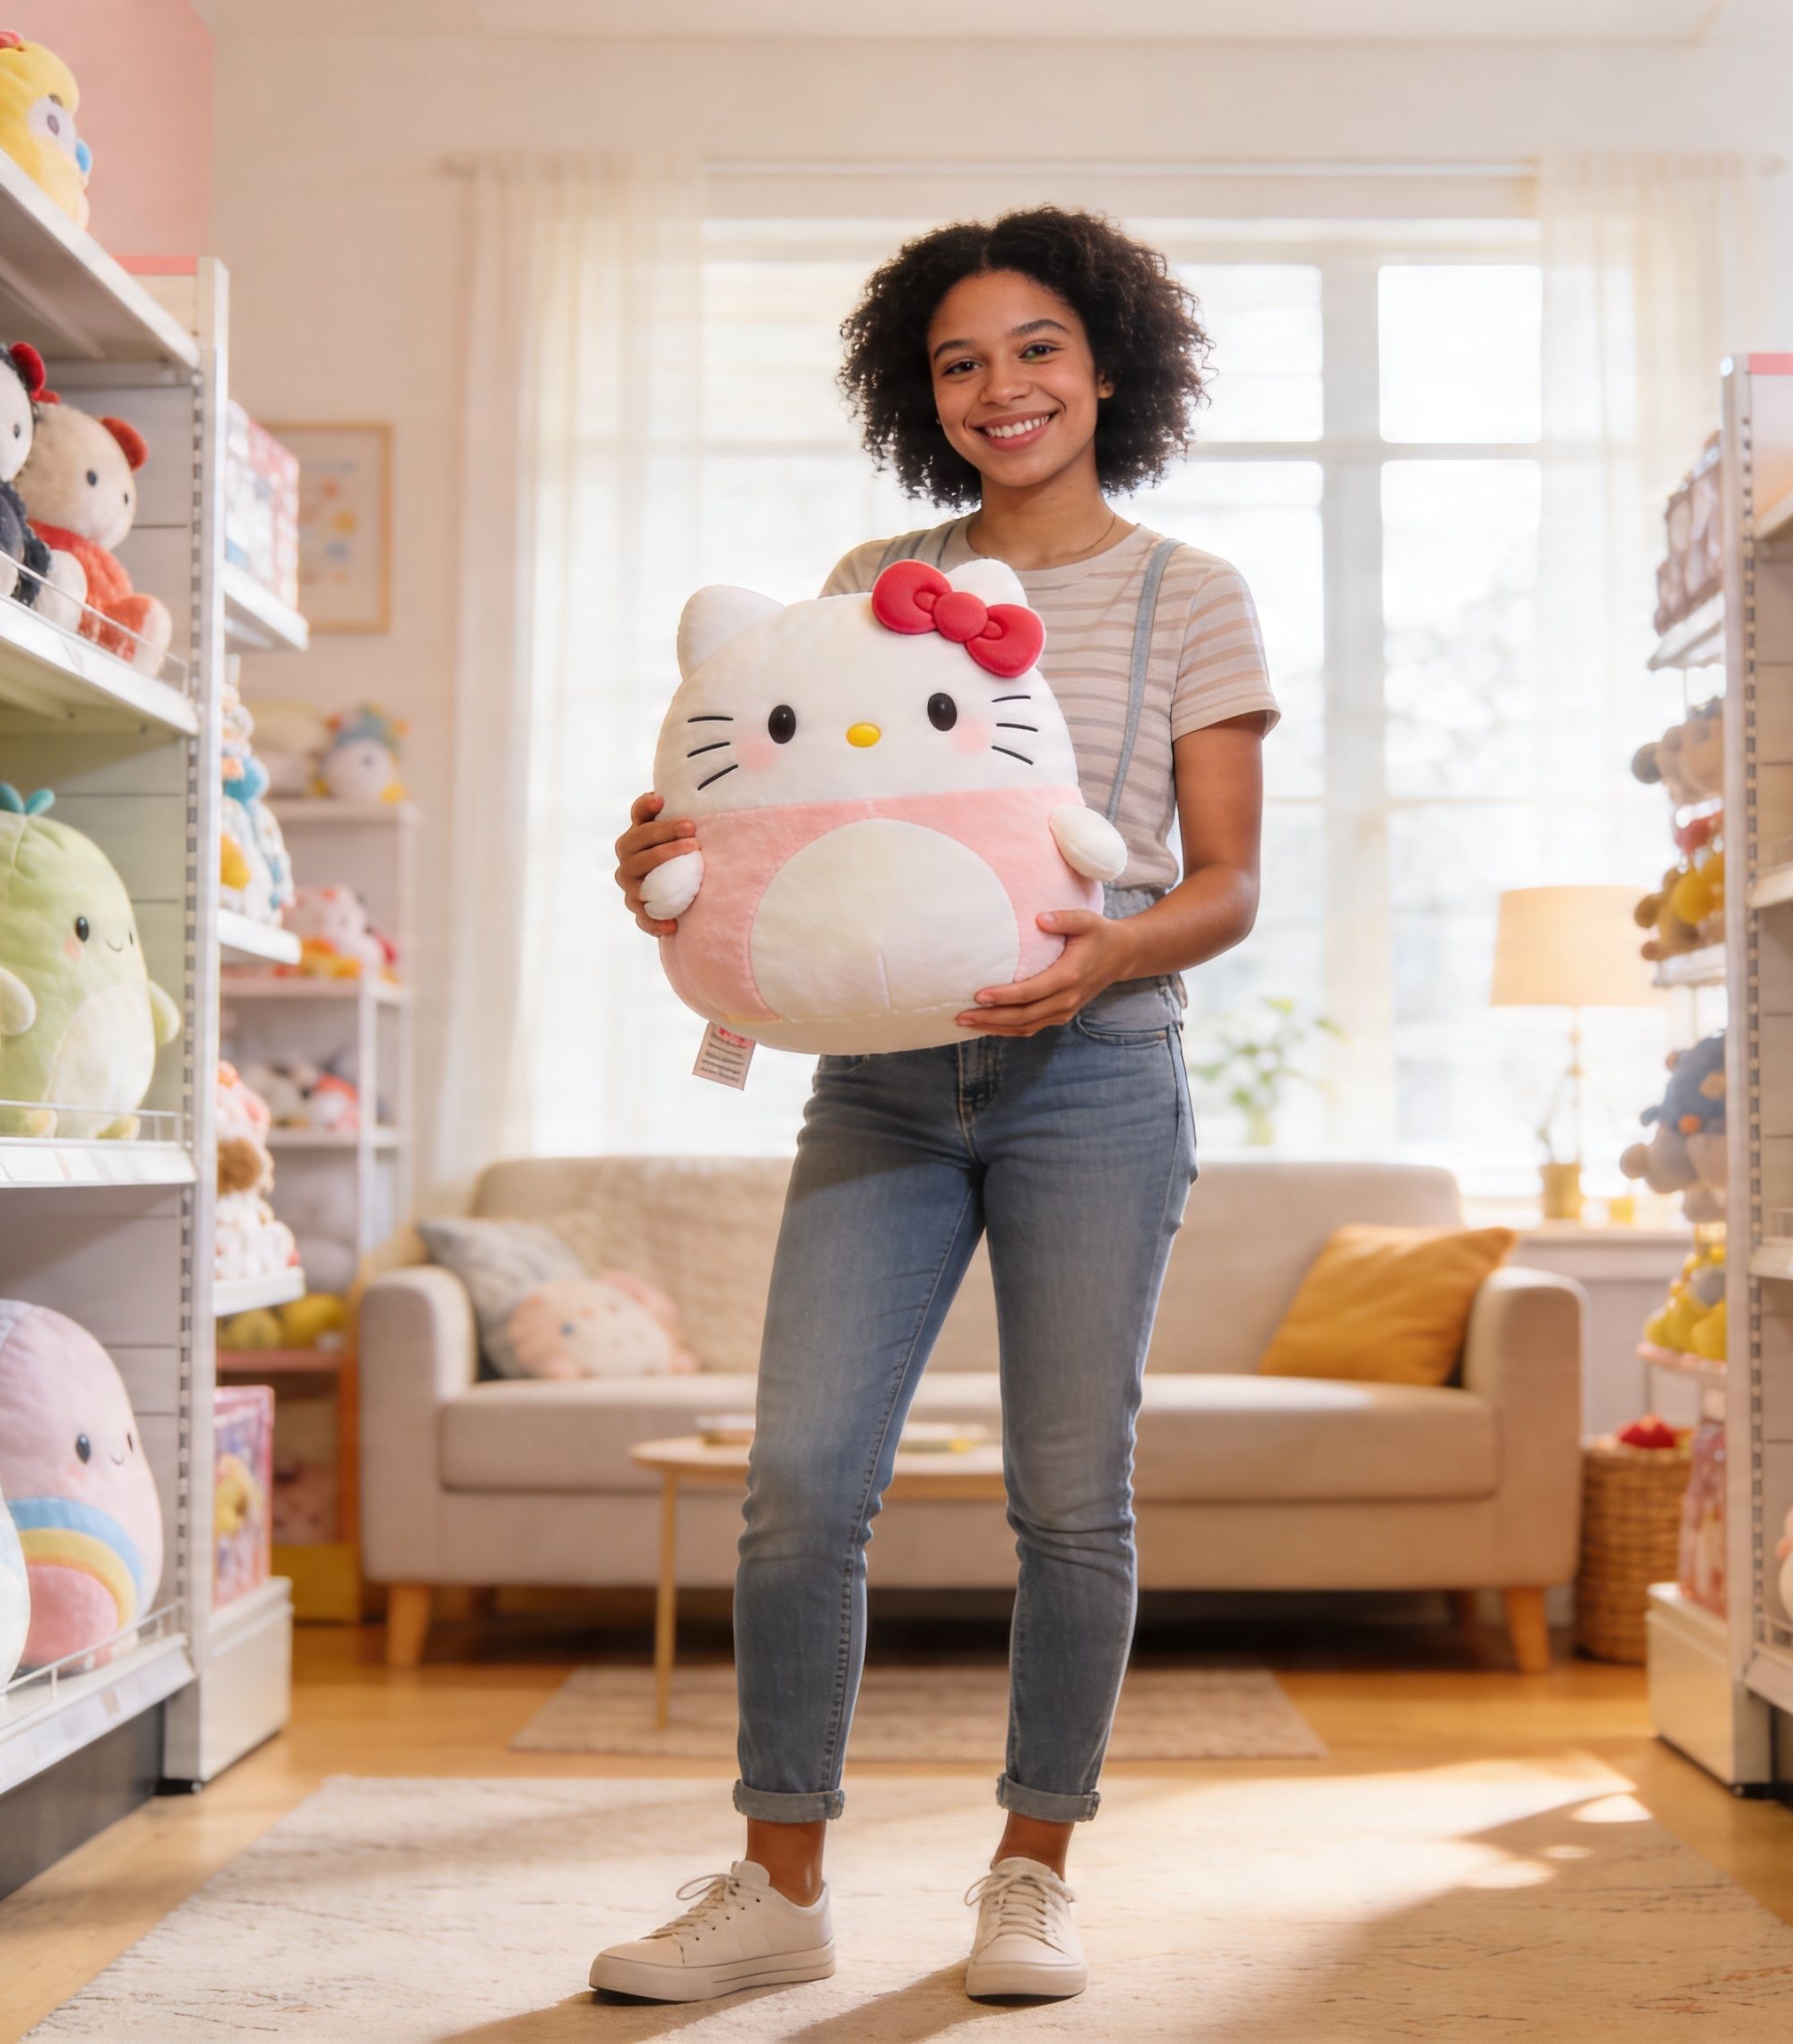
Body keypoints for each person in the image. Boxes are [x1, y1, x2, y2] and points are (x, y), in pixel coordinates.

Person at [591, 208, 1276, 2007]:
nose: (1001, 388)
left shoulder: (1186, 592)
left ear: (1109, 363)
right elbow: (794, 813)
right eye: (960, 361)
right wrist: (675, 859)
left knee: (1069, 1495)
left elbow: (1223, 886)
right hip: (879, 1090)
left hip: (1095, 1081)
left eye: (1036, 348)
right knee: (801, 1484)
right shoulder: (868, 564)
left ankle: (1033, 1868)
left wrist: (1099, 962)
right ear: (924, 393)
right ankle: (776, 1881)